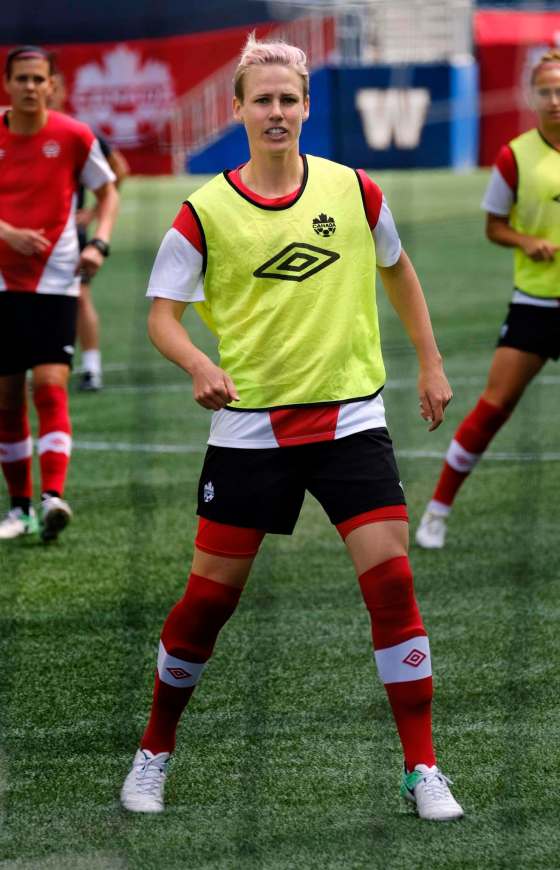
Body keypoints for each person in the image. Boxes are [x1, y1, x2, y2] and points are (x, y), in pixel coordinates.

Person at [120, 34, 463, 821]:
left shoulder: (353, 189)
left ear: (307, 107)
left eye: (288, 99)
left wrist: (433, 362)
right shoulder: (204, 211)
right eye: (262, 99)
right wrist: (199, 365)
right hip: (249, 433)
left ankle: (423, 770)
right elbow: (161, 319)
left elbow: (398, 270)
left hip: (352, 420)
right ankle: (154, 751)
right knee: (206, 606)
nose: (276, 112)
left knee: (394, 584)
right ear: (238, 108)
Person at [416, 49, 560, 550]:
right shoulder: (514, 156)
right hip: (536, 305)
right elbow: (494, 227)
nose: (554, 99)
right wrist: (527, 242)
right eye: (545, 91)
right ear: (531, 96)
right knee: (494, 406)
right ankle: (436, 511)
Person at [0, 45, 118, 542]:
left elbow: (108, 188)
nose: (30, 87)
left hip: (56, 277)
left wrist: (99, 243)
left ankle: (52, 499)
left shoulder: (74, 135)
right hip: (3, 281)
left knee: (49, 384)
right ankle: (19, 509)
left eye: (38, 79)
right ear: (7, 84)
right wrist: (7, 234)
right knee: (6, 398)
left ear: (52, 84)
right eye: (22, 78)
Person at [47, 71, 130, 392]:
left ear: (60, 90)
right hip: (18, 236)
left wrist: (95, 212)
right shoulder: (13, 132)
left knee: (79, 297)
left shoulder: (77, 133)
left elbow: (119, 169)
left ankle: (91, 369)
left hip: (67, 233)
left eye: (50, 84)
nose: (42, 91)